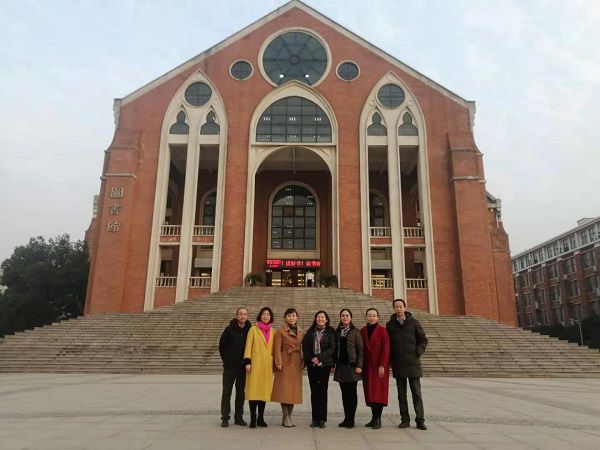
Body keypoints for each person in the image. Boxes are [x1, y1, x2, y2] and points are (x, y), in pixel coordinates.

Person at [386, 298, 428, 430]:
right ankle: (405, 420)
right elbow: (388, 344)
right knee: (401, 394)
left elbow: (423, 340)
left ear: (405, 307)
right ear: (393, 308)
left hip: (413, 363)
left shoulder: (414, 322)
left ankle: (420, 420)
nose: (398, 309)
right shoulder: (390, 325)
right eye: (396, 307)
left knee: (416, 393)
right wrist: (391, 361)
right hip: (398, 364)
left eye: (400, 306)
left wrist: (417, 352)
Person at [271, 308, 304, 427]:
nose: (291, 318)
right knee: (284, 390)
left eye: (293, 315)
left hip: (296, 362)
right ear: (285, 318)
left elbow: (303, 347)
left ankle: (289, 416)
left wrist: (304, 361)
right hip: (285, 362)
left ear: (297, 317)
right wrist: (278, 362)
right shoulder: (280, 331)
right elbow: (277, 348)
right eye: (289, 316)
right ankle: (285, 416)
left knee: (293, 391)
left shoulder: (301, 331)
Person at [218, 307, 252, 427]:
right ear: (236, 316)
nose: (242, 316)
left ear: (247, 316)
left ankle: (238, 417)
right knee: (226, 391)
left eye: (245, 314)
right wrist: (226, 359)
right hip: (230, 367)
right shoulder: (229, 329)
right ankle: (225, 418)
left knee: (241, 393)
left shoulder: (250, 330)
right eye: (240, 314)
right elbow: (222, 346)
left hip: (242, 367)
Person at [302, 310, 336, 428]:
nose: (320, 319)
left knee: (322, 391)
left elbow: (332, 348)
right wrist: (312, 358)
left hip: (325, 365)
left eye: (322, 317)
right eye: (318, 317)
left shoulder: (331, 332)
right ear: (315, 319)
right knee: (314, 391)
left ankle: (322, 418)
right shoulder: (310, 331)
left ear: (326, 319)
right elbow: (305, 346)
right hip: (312, 365)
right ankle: (315, 418)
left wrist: (320, 358)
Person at [243, 306, 275, 428]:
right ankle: (253, 418)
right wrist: (247, 361)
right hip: (255, 365)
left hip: (267, 366)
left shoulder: (273, 332)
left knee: (263, 392)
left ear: (270, 317)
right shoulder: (253, 329)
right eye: (264, 314)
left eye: (268, 314)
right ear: (260, 316)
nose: (266, 316)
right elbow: (248, 346)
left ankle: (260, 418)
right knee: (253, 392)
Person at [360, 307, 390, 429]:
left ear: (378, 317)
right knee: (370, 393)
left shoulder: (383, 331)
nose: (371, 318)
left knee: (379, 393)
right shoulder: (362, 331)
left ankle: (378, 419)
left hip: (379, 366)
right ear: (366, 317)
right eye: (369, 315)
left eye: (374, 315)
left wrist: (382, 365)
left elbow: (386, 349)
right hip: (367, 366)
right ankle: (373, 418)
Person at [334, 308, 363, 428]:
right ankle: (346, 418)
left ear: (351, 318)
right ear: (340, 317)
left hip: (352, 367)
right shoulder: (337, 332)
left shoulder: (355, 332)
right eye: (343, 315)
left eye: (347, 315)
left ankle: (351, 419)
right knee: (344, 394)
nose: (345, 317)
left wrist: (359, 365)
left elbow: (361, 350)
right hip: (341, 367)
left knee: (352, 393)